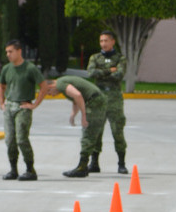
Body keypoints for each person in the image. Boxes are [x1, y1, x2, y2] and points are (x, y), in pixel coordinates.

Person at [0, 39, 48, 181]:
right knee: (9, 140)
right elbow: (2, 86)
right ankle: (13, 169)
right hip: (9, 107)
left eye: (11, 51)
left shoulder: (30, 68)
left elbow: (44, 86)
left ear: (19, 51)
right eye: (6, 52)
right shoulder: (6, 69)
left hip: (23, 107)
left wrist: (34, 104)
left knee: (21, 139)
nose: (8, 54)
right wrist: (2, 102)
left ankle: (30, 169)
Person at [47, 75, 108, 178]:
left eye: (49, 93)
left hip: (94, 101)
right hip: (98, 99)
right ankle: (94, 164)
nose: (52, 95)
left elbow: (78, 95)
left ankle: (82, 168)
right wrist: (73, 114)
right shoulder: (62, 83)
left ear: (51, 86)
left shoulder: (60, 84)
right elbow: (76, 99)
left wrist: (84, 116)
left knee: (88, 132)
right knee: (95, 132)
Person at [86, 31, 128, 174]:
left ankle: (121, 163)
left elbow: (119, 75)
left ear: (112, 42)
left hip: (114, 98)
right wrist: (108, 70)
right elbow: (91, 73)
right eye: (101, 41)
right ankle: (94, 162)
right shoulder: (95, 57)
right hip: (99, 97)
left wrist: (102, 72)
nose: (103, 43)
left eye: (106, 40)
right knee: (96, 130)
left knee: (117, 130)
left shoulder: (120, 58)